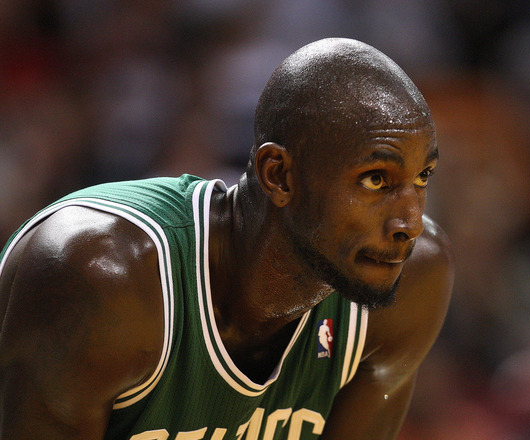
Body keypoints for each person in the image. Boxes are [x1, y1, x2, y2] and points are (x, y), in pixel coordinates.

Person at [0, 38, 454, 439]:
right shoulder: (103, 278)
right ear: (278, 176)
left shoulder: (413, 282)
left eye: (422, 177)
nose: (410, 222)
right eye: (376, 180)